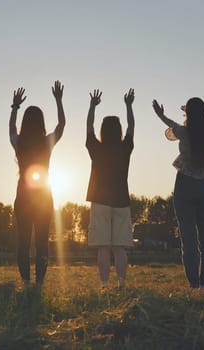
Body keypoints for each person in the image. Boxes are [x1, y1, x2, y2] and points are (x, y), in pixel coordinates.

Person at [152, 98, 204, 289]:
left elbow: (171, 126)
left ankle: (194, 284)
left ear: (188, 114)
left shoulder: (184, 131)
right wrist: (192, 116)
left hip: (185, 184)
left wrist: (160, 114)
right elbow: (201, 127)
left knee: (188, 239)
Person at [9, 81, 65, 285]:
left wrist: (15, 107)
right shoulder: (46, 142)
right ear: (41, 122)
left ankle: (25, 282)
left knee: (23, 242)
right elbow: (61, 126)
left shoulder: (19, 143)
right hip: (43, 196)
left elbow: (11, 128)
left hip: (23, 196)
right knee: (42, 242)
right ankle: (39, 283)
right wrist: (59, 100)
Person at [86, 88, 135, 290]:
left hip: (100, 202)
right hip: (122, 202)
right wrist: (129, 106)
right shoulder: (125, 147)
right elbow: (132, 125)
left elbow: (88, 126)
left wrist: (92, 106)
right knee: (119, 248)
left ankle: (105, 285)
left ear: (103, 131)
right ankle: (121, 284)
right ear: (120, 130)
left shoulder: (96, 147)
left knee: (103, 248)